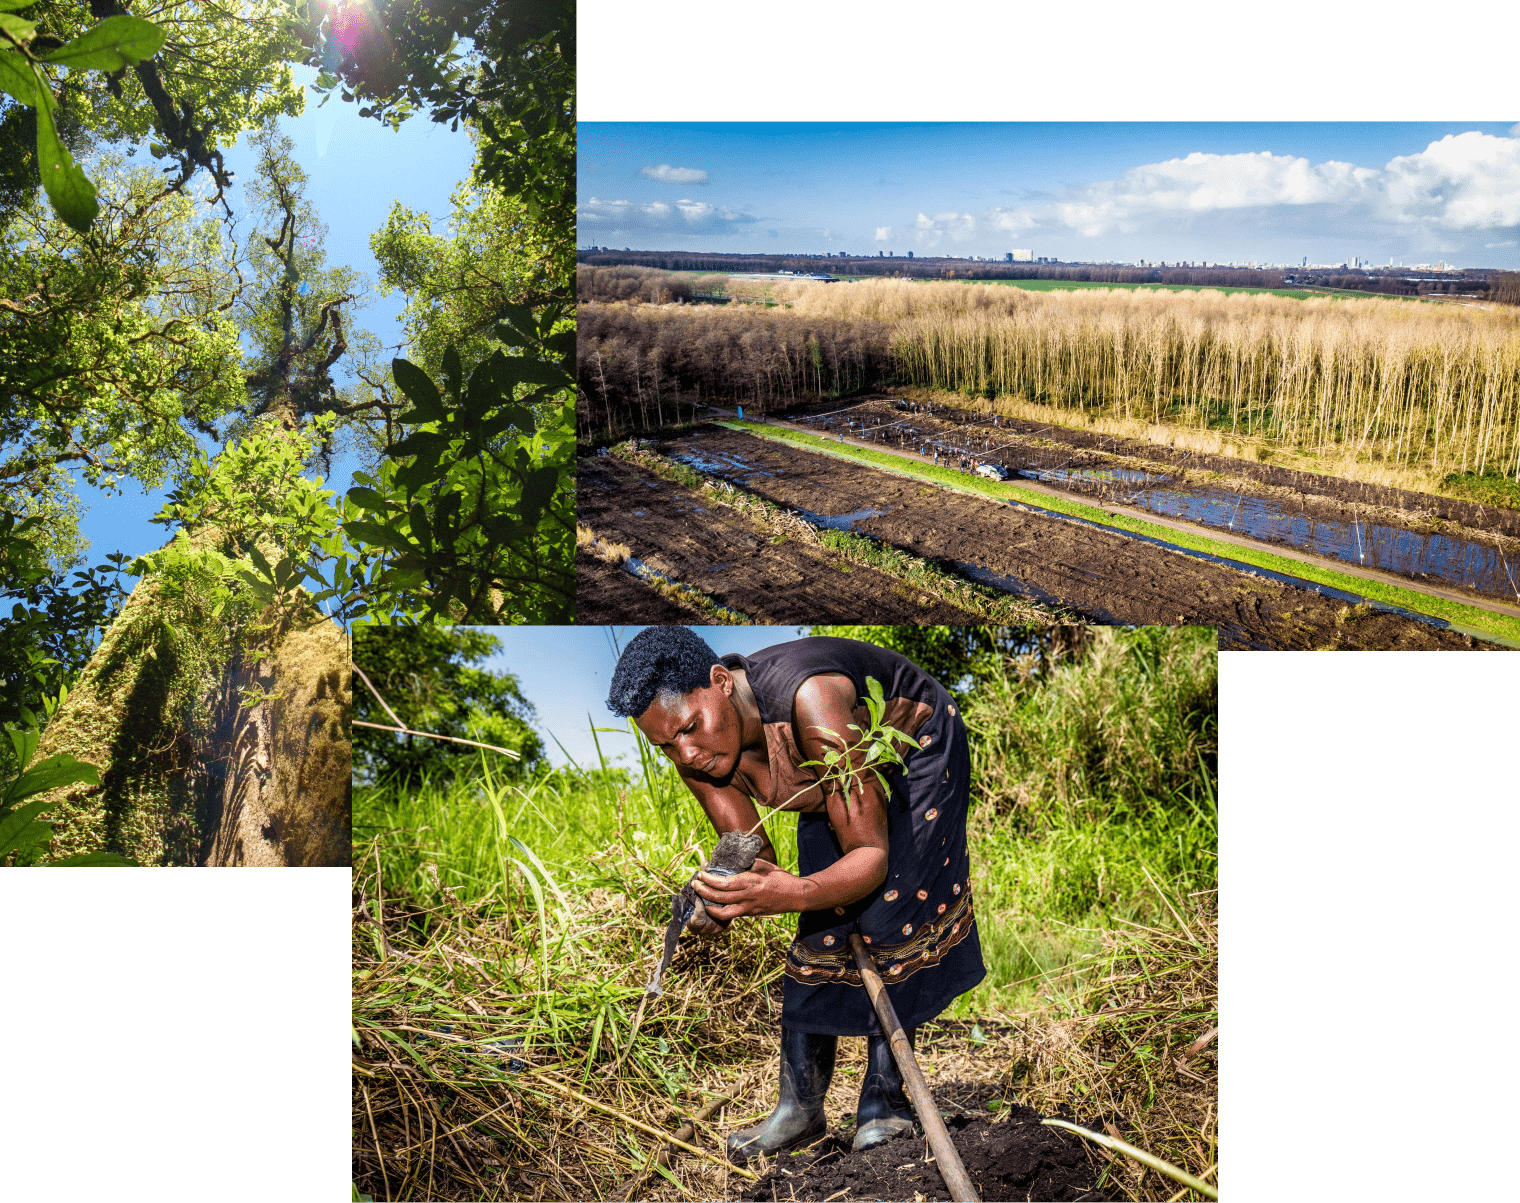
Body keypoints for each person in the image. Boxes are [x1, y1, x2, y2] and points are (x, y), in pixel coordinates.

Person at [606, 628, 986, 1163]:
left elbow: (869, 855)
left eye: (691, 728)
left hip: (912, 752)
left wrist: (795, 891)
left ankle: (886, 1104)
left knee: (890, 911)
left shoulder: (812, 700)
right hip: (834, 781)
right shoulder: (694, 752)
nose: (686, 754)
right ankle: (799, 1109)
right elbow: (753, 854)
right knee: (822, 922)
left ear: (720, 683)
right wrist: (719, 899)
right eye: (665, 744)